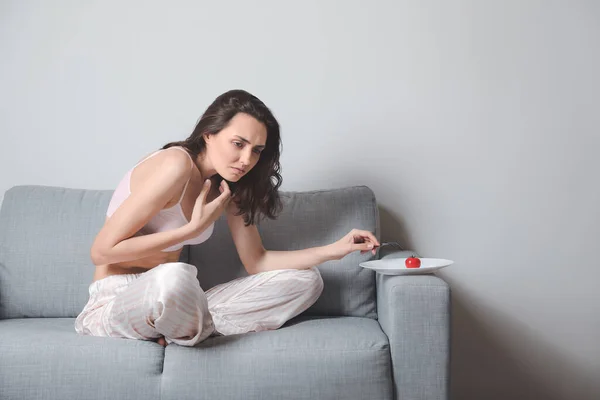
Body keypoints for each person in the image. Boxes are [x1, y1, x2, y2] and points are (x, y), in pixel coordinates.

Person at [75, 89, 380, 347]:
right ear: (209, 133)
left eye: (257, 151)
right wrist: (191, 230)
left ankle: (187, 328)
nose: (247, 160)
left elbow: (257, 262)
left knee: (307, 280)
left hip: (176, 303)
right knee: (175, 276)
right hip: (116, 301)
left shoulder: (229, 187)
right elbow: (100, 251)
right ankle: (191, 328)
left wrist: (334, 250)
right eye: (238, 144)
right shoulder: (175, 165)